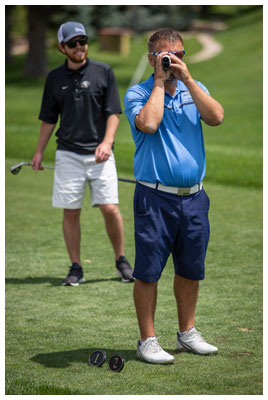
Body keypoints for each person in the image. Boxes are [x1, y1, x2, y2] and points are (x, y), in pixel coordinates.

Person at [124, 29, 224, 364]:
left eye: (178, 53)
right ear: (151, 57)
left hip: (194, 197)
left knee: (191, 268)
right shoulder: (138, 93)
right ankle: (147, 340)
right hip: (155, 197)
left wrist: (188, 80)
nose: (172, 59)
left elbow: (216, 117)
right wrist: (159, 82)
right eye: (165, 55)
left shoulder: (196, 89)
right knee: (149, 271)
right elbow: (149, 124)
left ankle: (187, 333)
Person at [31, 21, 134, 286]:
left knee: (110, 208)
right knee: (71, 212)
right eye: (73, 43)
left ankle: (121, 260)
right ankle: (76, 267)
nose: (80, 47)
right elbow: (48, 118)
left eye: (83, 41)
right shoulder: (54, 78)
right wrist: (39, 152)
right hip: (68, 153)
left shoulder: (104, 71)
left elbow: (113, 112)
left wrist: (107, 143)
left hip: (100, 154)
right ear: (62, 47)